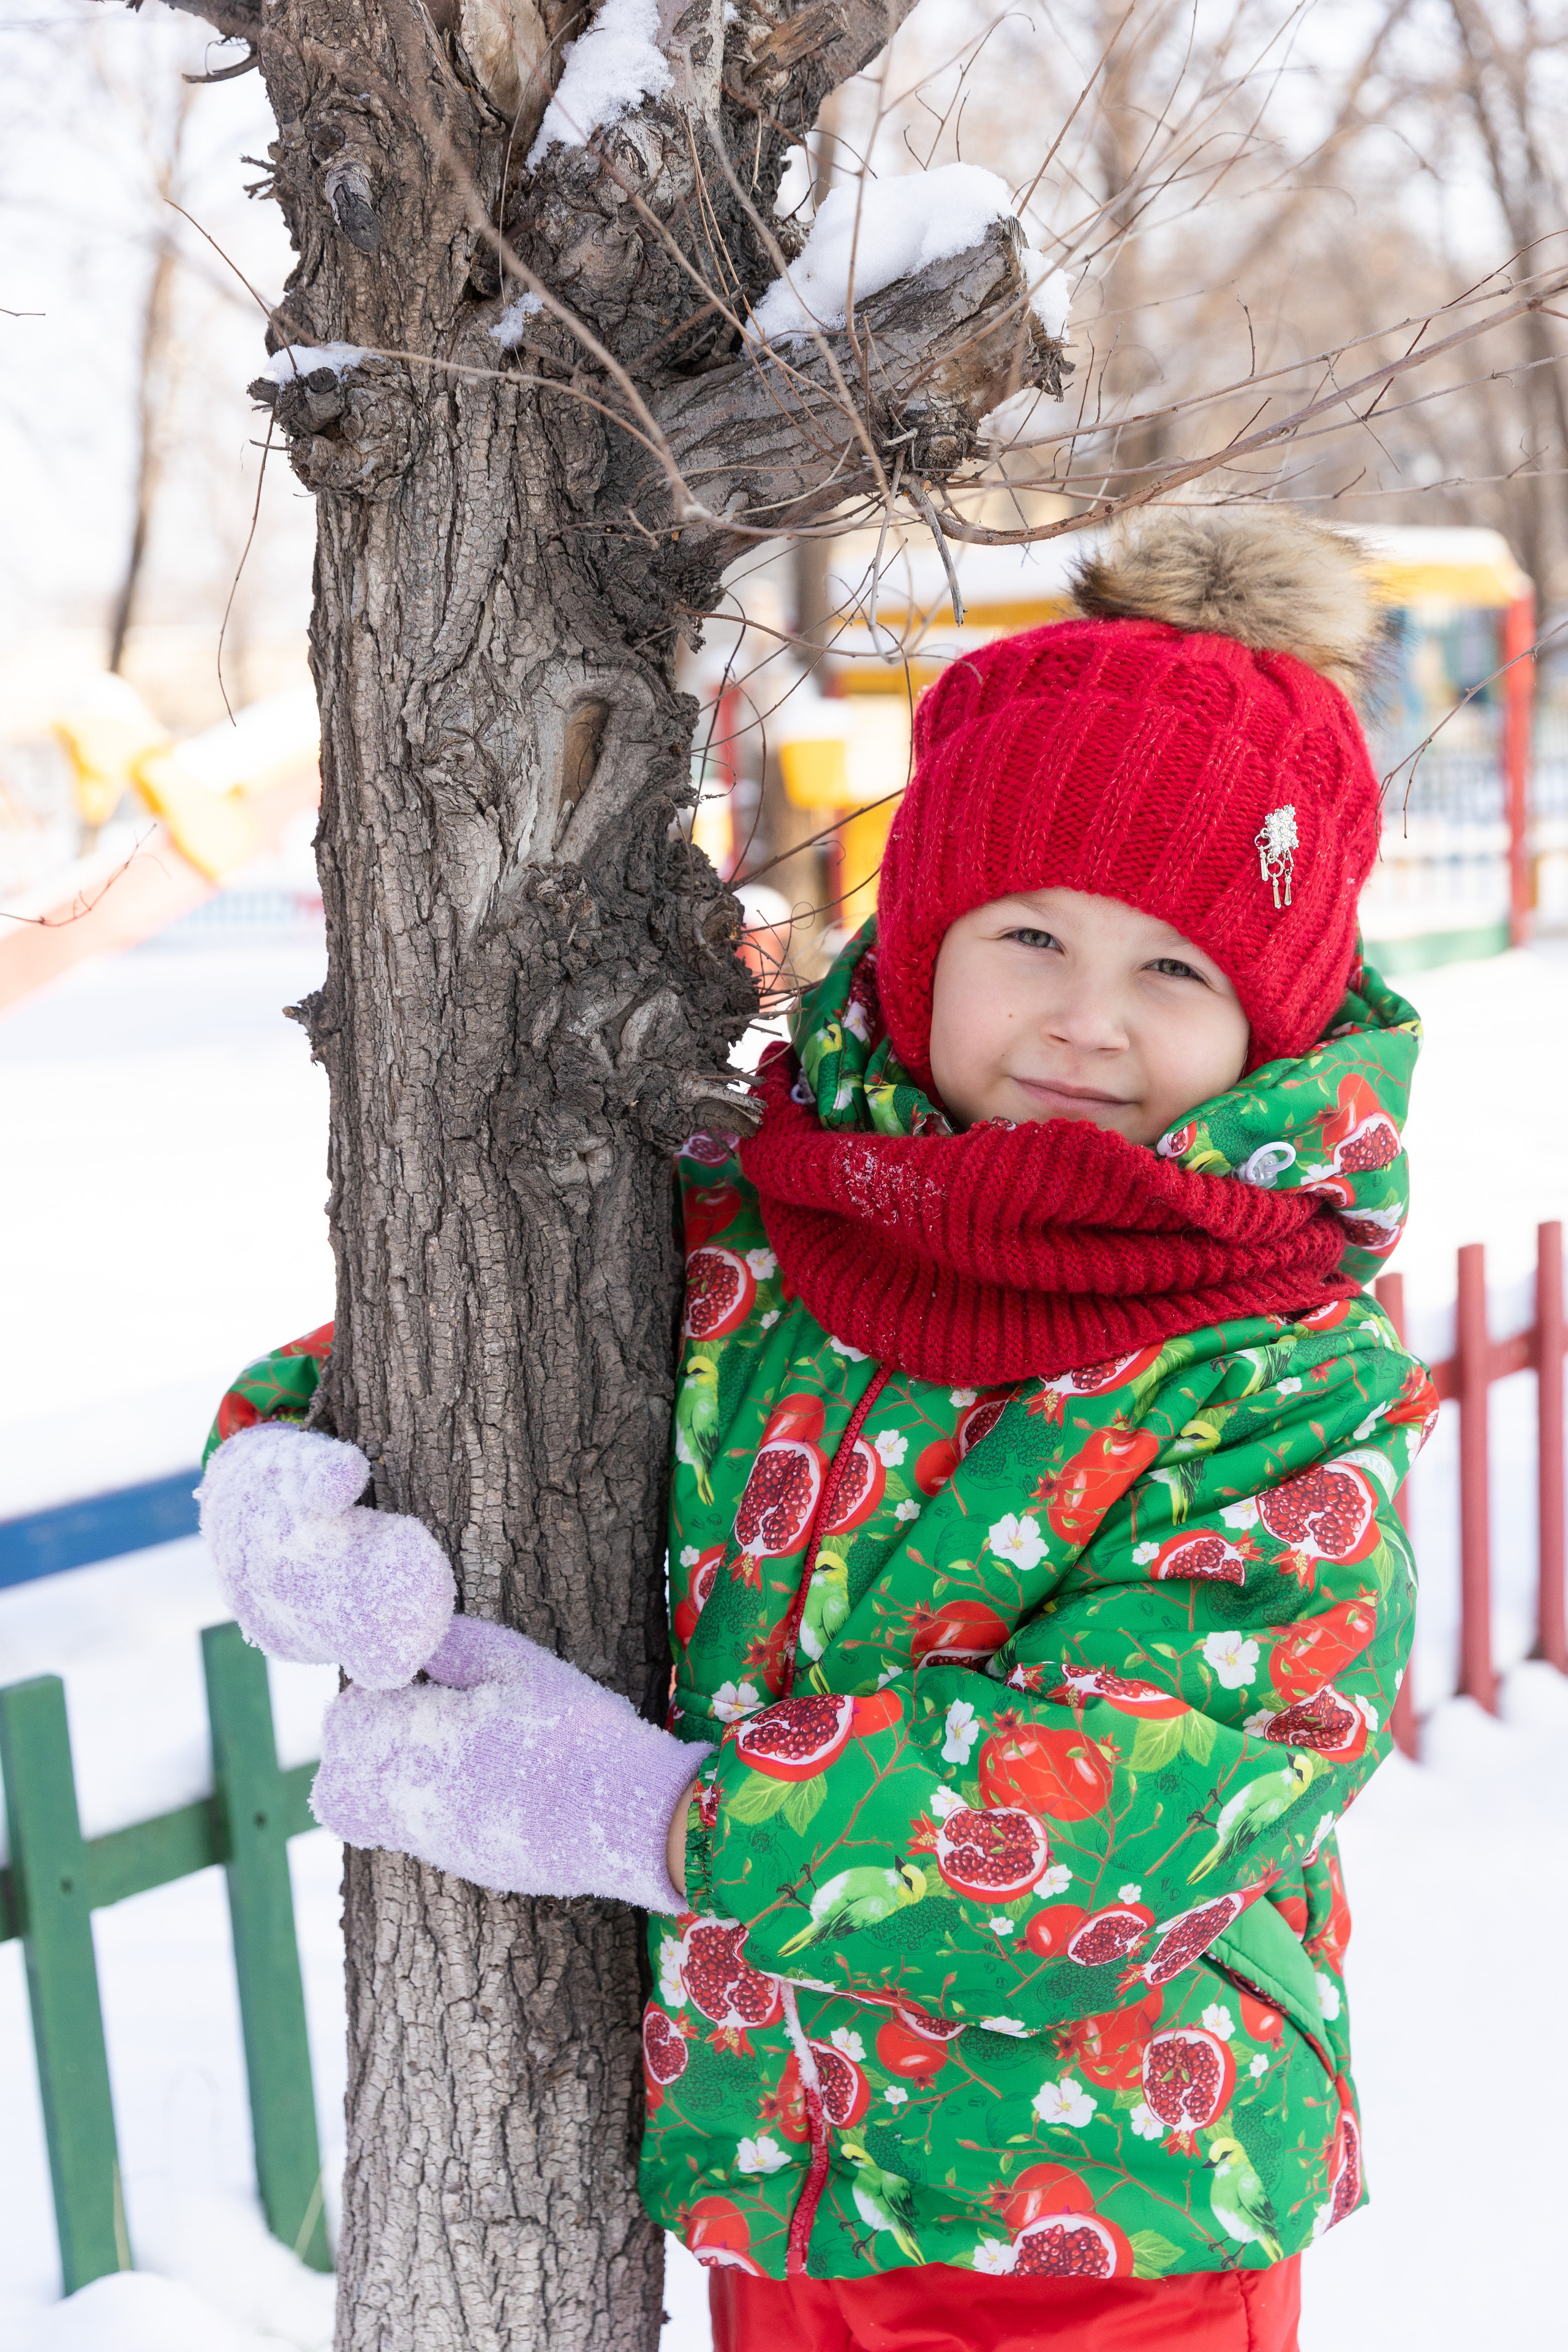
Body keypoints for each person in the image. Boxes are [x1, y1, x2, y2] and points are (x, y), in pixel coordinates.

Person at [198, 506, 1437, 2352]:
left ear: (1272, 1023)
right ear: (931, 934)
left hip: (1119, 2222)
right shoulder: (765, 1223)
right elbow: (470, 1340)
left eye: (1177, 971)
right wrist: (282, 1466)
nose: (1091, 1023)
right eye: (1032, 935)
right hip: (780, 2187)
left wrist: (657, 1821)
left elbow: (1148, 1786)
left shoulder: (1280, 1372)